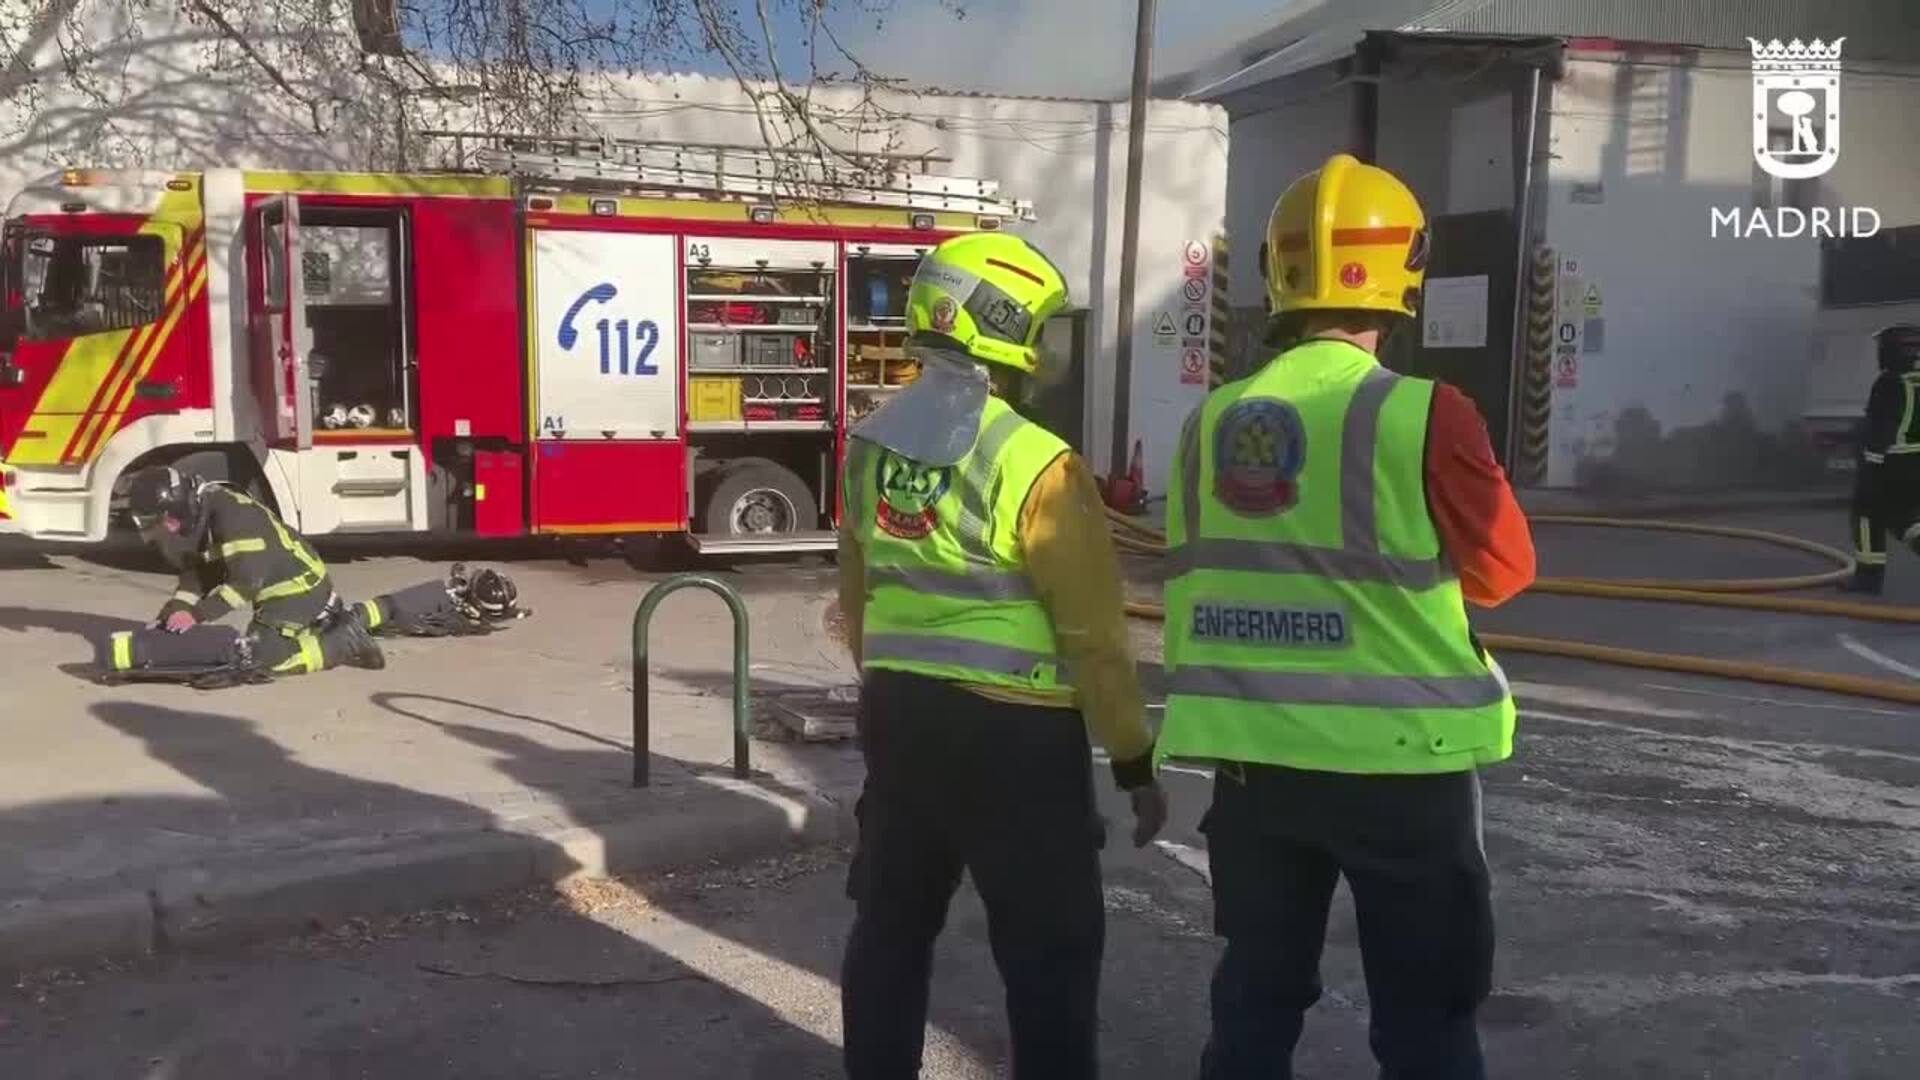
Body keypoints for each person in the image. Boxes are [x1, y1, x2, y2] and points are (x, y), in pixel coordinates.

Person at [1158, 153, 1537, 1080]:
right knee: (1425, 1019)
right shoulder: (1426, 415)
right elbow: (1503, 573)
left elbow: (1204, 571)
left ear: (1275, 272)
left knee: (1255, 996)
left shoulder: (1209, 423)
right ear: (1404, 271)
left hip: (1257, 768)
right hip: (1403, 770)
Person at [836, 232, 1169, 1079]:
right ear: (1007, 329)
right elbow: (1092, 633)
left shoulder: (871, 444)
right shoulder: (1038, 461)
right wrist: (1133, 759)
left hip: (901, 719)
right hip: (1016, 740)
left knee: (889, 932)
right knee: (1050, 960)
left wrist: (893, 694)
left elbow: (856, 596)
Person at [1840, 323, 1920, 594]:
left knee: (1866, 513)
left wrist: (1870, 464)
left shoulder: (1890, 383)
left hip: (1892, 463)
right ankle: (1869, 578)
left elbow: (1880, 429)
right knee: (1903, 517)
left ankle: (1868, 579)